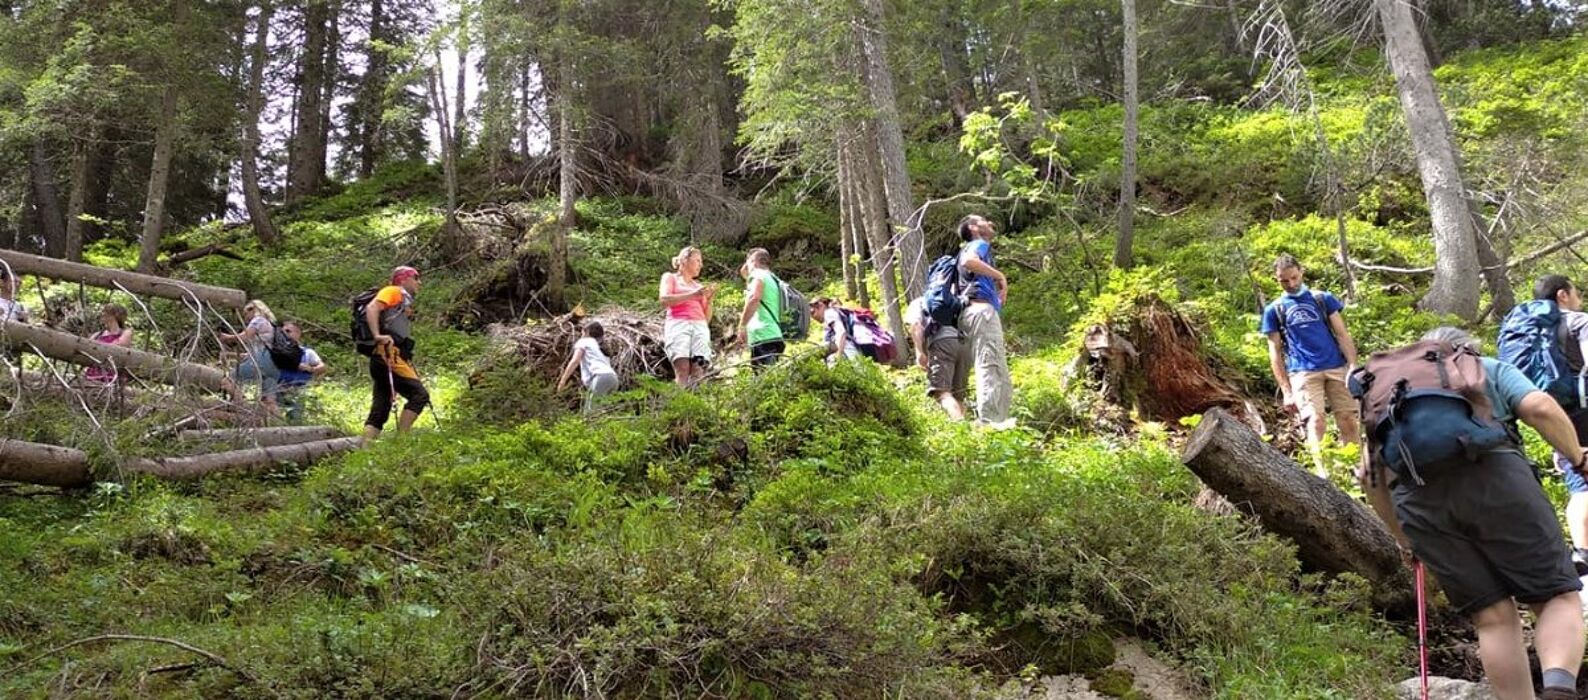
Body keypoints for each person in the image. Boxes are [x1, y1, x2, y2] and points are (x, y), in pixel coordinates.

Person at [1360, 326, 1586, 700]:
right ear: (1461, 350)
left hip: (1420, 505)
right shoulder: (1481, 367)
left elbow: (1372, 480)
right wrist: (1577, 458)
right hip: (1495, 479)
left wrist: (1405, 541)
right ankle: (1559, 689)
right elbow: (1539, 407)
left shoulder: (1383, 396)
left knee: (1492, 618)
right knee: (1555, 597)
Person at [1259, 253, 1360, 474]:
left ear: (1301, 271)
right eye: (1284, 281)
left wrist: (1353, 366)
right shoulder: (1274, 310)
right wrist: (1286, 391)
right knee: (1316, 421)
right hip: (1302, 371)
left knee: (1348, 419)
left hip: (1335, 366)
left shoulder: (1322, 299)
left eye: (1294, 278)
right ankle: (1324, 475)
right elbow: (1274, 352)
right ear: (1277, 279)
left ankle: (1356, 470)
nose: (1291, 284)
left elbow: (1342, 334)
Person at [1524, 275, 1588, 573]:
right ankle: (1584, 557)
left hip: (1556, 412)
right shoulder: (1578, 322)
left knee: (1578, 481)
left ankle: (1582, 557)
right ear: (1563, 294)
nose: (1579, 298)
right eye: (1576, 293)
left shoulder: (1531, 330)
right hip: (1585, 408)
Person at [957, 214, 1013, 427]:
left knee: (996, 365)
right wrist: (1000, 276)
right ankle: (990, 423)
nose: (989, 222)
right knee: (989, 364)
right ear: (973, 227)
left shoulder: (974, 247)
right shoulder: (977, 244)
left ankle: (998, 419)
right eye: (982, 220)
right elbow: (969, 261)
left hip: (974, 313)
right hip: (981, 311)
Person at [364, 266, 430, 443]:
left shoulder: (403, 300)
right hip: (387, 355)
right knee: (420, 395)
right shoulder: (393, 291)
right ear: (403, 279)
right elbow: (372, 308)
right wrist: (378, 335)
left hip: (383, 357)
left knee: (381, 406)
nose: (419, 282)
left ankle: (365, 450)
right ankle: (402, 441)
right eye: (416, 277)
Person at [904, 296, 970, 420]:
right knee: (958, 395)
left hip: (942, 344)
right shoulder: (954, 299)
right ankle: (964, 432)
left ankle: (961, 426)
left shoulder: (919, 302)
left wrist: (919, 352)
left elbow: (916, 325)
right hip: (965, 343)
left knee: (942, 393)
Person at [658, 246, 715, 387]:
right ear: (684, 260)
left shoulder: (698, 285)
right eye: (697, 261)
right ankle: (680, 405)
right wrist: (694, 295)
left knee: (699, 368)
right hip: (679, 325)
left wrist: (710, 300)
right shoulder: (670, 277)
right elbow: (664, 300)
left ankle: (698, 404)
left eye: (701, 262)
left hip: (700, 328)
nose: (700, 265)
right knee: (682, 369)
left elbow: (706, 319)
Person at [220, 299, 281, 416]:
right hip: (274, 365)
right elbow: (253, 353)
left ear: (253, 309)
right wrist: (230, 355)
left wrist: (227, 337)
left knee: (228, 381)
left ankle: (243, 411)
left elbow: (244, 336)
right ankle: (281, 425)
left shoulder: (258, 320)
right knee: (269, 401)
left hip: (262, 361)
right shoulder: (271, 325)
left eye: (245, 313)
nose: (245, 317)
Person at [736, 248, 784, 371]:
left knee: (764, 379)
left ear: (753, 261)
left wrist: (742, 326)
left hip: (763, 335)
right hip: (774, 333)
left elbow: (754, 298)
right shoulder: (772, 278)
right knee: (771, 377)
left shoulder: (758, 274)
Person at [557, 321, 620, 413]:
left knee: (590, 413)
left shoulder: (584, 341)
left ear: (587, 332)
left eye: (582, 332)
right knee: (602, 413)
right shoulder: (601, 347)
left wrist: (563, 380)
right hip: (613, 379)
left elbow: (575, 361)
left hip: (600, 378)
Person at [276, 321, 327, 424]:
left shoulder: (307, 352)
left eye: (288, 331)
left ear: (298, 334)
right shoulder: (276, 352)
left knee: (295, 418)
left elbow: (323, 367)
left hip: (298, 389)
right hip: (277, 388)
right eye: (282, 333)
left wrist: (311, 369)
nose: (285, 335)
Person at [83, 303, 133, 384]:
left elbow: (119, 346)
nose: (103, 315)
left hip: (113, 374)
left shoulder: (126, 333)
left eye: (106, 313)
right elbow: (88, 348)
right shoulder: (97, 335)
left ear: (115, 315)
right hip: (93, 374)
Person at [810, 297, 862, 364]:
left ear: (821, 306)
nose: (814, 317)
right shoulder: (834, 313)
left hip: (847, 350)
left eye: (813, 312)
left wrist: (838, 354)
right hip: (851, 350)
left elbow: (841, 332)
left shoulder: (829, 313)